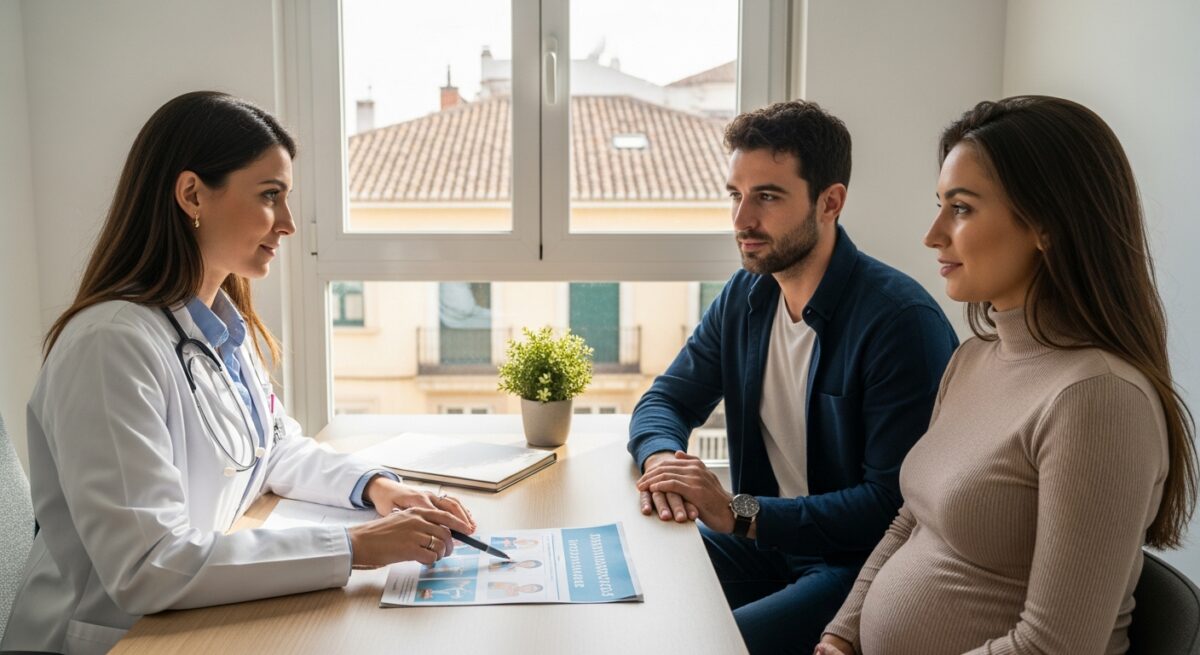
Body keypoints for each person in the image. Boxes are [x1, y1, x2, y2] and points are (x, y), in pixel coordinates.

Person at [0, 91, 477, 655]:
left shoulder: (216, 325)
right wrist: (357, 548)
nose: (290, 225)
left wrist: (377, 488)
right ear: (192, 194)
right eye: (270, 196)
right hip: (110, 639)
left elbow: (270, 450)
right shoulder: (109, 347)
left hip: (187, 623)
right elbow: (147, 565)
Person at [816, 96, 1197, 655]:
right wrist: (842, 634)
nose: (933, 234)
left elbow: (1055, 647)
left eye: (962, 208)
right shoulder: (973, 359)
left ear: (1046, 225)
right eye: (940, 205)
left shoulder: (1098, 399)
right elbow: (910, 522)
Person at [629, 99, 959, 653]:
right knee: (635, 580)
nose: (741, 221)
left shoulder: (900, 323)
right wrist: (664, 459)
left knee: (704, 643)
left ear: (830, 202)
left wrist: (738, 510)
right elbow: (666, 399)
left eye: (767, 196)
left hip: (858, 569)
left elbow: (890, 507)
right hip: (768, 544)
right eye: (735, 194)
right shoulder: (746, 296)